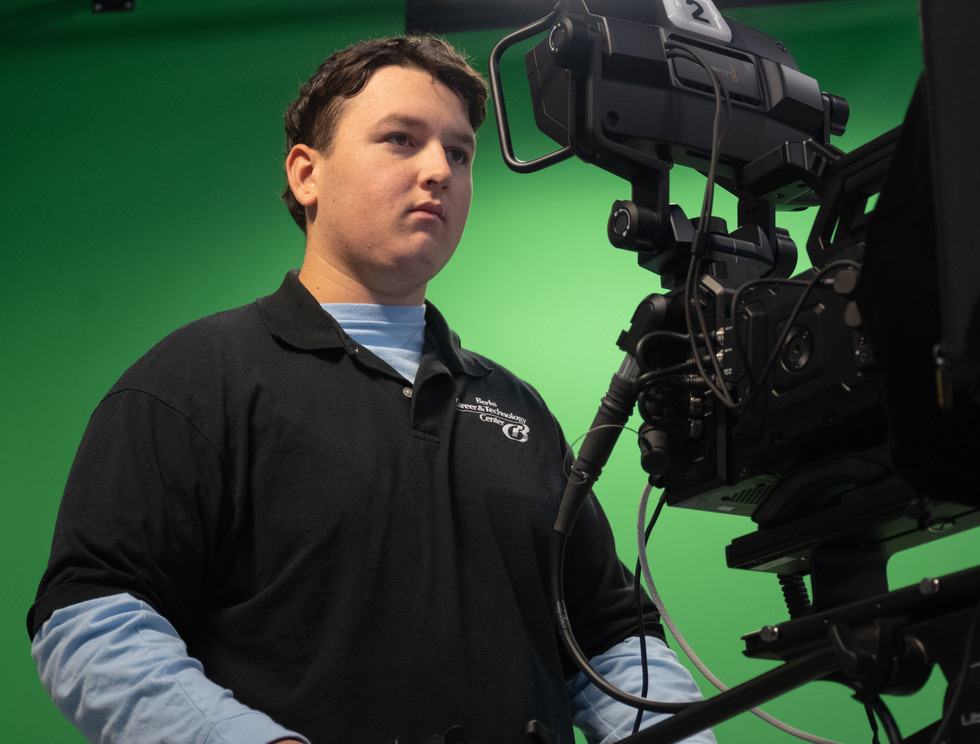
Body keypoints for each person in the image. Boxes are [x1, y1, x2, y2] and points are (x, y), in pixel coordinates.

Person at [28, 35, 716, 744]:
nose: (438, 171)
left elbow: (609, 640)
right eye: (400, 139)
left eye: (458, 153)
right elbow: (90, 616)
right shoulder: (193, 381)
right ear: (306, 174)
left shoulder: (517, 410)